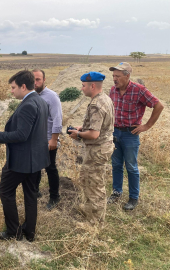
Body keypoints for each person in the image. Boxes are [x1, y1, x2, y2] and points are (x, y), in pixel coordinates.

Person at [0, 70, 49, 241]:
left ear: (23, 86)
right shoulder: (40, 101)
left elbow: (21, 135)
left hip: (21, 161)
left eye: (13, 87)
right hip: (35, 159)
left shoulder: (28, 105)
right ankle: (29, 232)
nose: (11, 91)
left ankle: (13, 232)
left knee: (5, 191)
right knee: (31, 195)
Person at [107, 62, 163, 210]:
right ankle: (116, 192)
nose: (115, 79)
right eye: (113, 76)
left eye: (118, 76)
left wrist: (147, 126)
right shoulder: (112, 90)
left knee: (131, 166)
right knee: (116, 165)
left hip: (130, 134)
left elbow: (158, 105)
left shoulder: (139, 90)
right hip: (114, 132)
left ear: (127, 76)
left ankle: (133, 198)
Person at [68, 72, 114, 226]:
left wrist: (78, 134)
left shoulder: (96, 104)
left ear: (92, 86)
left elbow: (94, 134)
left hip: (97, 149)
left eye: (83, 85)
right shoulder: (105, 99)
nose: (81, 89)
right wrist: (83, 127)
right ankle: (91, 211)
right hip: (102, 147)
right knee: (91, 181)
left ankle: (94, 222)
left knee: (94, 185)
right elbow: (99, 126)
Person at [33, 69, 63, 210]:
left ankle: (54, 197)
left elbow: (57, 120)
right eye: (33, 79)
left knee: (50, 168)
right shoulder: (31, 96)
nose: (35, 82)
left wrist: (53, 140)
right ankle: (35, 191)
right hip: (35, 140)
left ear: (44, 80)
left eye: (38, 79)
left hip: (48, 140)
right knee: (35, 168)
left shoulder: (52, 97)